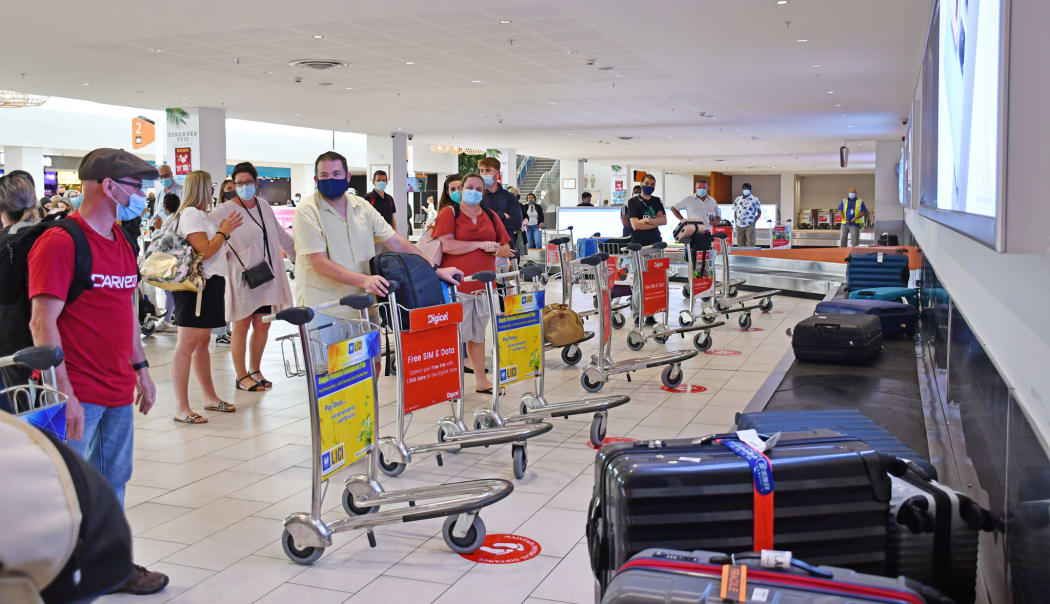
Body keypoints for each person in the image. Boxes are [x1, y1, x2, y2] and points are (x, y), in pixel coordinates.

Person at [27, 148, 169, 595]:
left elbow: (126, 310)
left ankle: (111, 565)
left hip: (115, 386)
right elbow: (41, 321)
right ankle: (57, 571)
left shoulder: (122, 243)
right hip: (75, 392)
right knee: (66, 487)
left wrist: (141, 368)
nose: (142, 196)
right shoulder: (60, 241)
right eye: (135, 187)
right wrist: (63, 390)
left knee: (113, 483)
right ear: (108, 187)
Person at [293, 151, 462, 325]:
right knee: (329, 354)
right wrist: (365, 280)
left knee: (371, 354)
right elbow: (319, 262)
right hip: (326, 311)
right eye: (324, 175)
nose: (330, 179)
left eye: (336, 174)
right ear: (316, 180)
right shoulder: (307, 211)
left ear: (347, 177)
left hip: (365, 308)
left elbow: (395, 241)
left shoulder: (362, 207)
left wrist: (433, 269)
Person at [211, 162, 295, 392]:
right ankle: (241, 376)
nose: (244, 187)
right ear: (233, 184)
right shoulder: (224, 211)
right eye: (240, 183)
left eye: (248, 183)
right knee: (242, 325)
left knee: (262, 325)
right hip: (242, 278)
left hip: (266, 276)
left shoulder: (263, 206)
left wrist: (299, 256)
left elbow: (279, 235)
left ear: (256, 184)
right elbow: (208, 236)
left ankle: (255, 370)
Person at [169, 171, 243, 424]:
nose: (213, 190)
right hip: (195, 288)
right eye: (210, 186)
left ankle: (209, 396)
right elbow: (206, 250)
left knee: (202, 344)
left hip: (210, 285)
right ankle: (181, 406)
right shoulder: (190, 215)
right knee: (187, 345)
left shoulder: (201, 215)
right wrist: (224, 232)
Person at [433, 173, 513, 393]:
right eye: (470, 187)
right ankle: (448, 383)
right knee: (454, 336)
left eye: (479, 189)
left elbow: (506, 247)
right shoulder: (450, 213)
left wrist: (496, 248)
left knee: (478, 336)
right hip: (457, 286)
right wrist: (480, 244)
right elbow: (447, 246)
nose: (474, 192)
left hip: (485, 287)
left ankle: (481, 381)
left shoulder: (490, 215)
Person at [477, 156, 523, 248]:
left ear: (497, 174)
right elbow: (475, 222)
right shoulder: (476, 196)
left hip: (506, 248)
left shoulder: (510, 197)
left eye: (488, 170)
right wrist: (502, 215)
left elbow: (517, 223)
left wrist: (488, 220)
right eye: (481, 171)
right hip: (482, 248)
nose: (484, 174)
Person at [627, 174, 666, 246]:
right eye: (647, 183)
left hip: (656, 242)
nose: (649, 186)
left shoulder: (657, 200)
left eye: (652, 184)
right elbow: (636, 225)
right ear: (641, 184)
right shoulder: (633, 201)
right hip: (639, 245)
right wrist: (656, 223)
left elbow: (663, 221)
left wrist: (647, 220)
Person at [733, 182, 762, 247]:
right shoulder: (737, 199)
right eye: (744, 188)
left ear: (750, 190)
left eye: (747, 189)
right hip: (739, 224)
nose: (746, 190)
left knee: (750, 242)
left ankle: (751, 256)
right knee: (740, 243)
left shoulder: (755, 199)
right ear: (742, 189)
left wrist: (754, 221)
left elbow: (759, 212)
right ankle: (741, 256)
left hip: (750, 224)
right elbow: (735, 211)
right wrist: (736, 220)